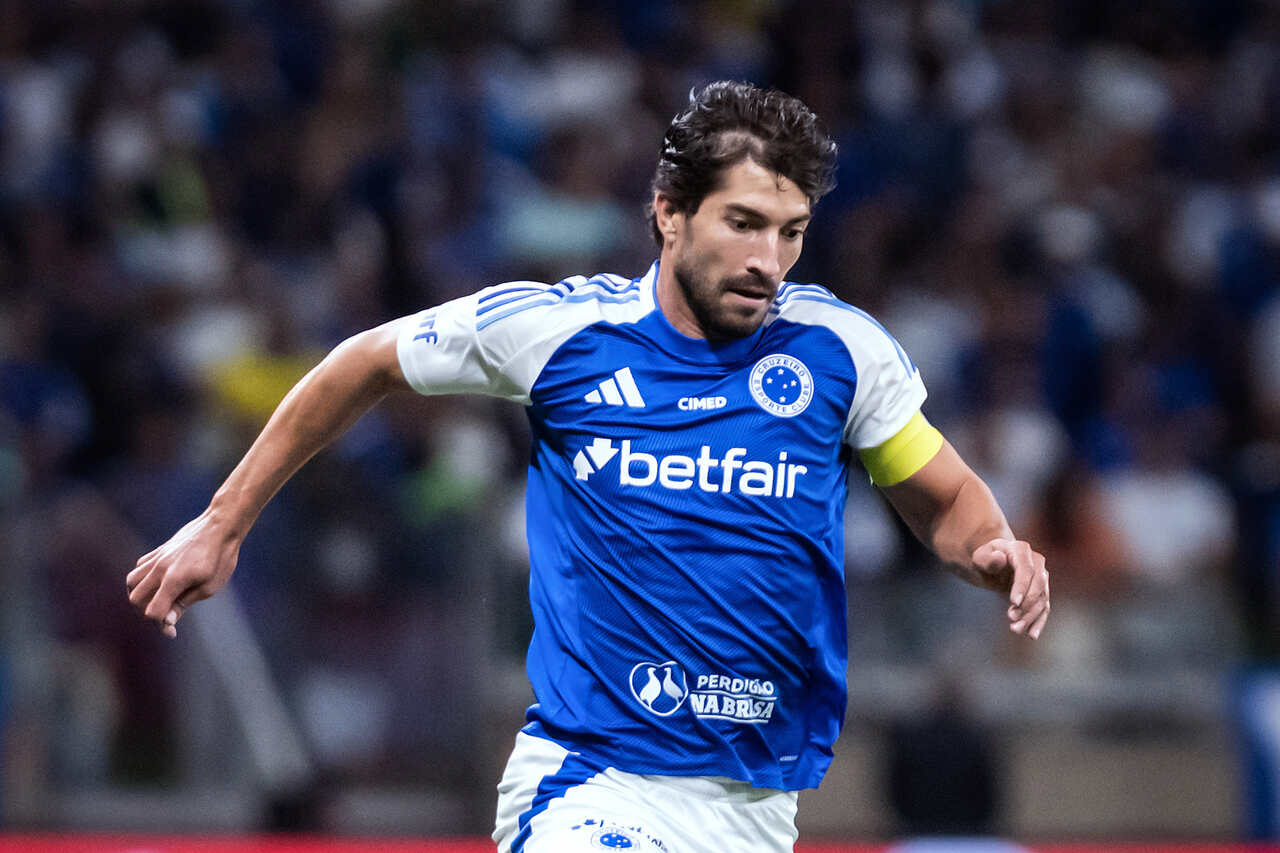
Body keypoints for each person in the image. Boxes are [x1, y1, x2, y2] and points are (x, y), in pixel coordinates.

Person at [127, 81, 1049, 853]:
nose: (768, 260)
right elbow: (362, 362)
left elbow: (944, 498)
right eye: (742, 223)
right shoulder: (564, 333)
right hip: (590, 783)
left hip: (756, 804)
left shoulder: (840, 352)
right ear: (669, 212)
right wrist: (223, 522)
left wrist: (994, 548)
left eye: (790, 231)